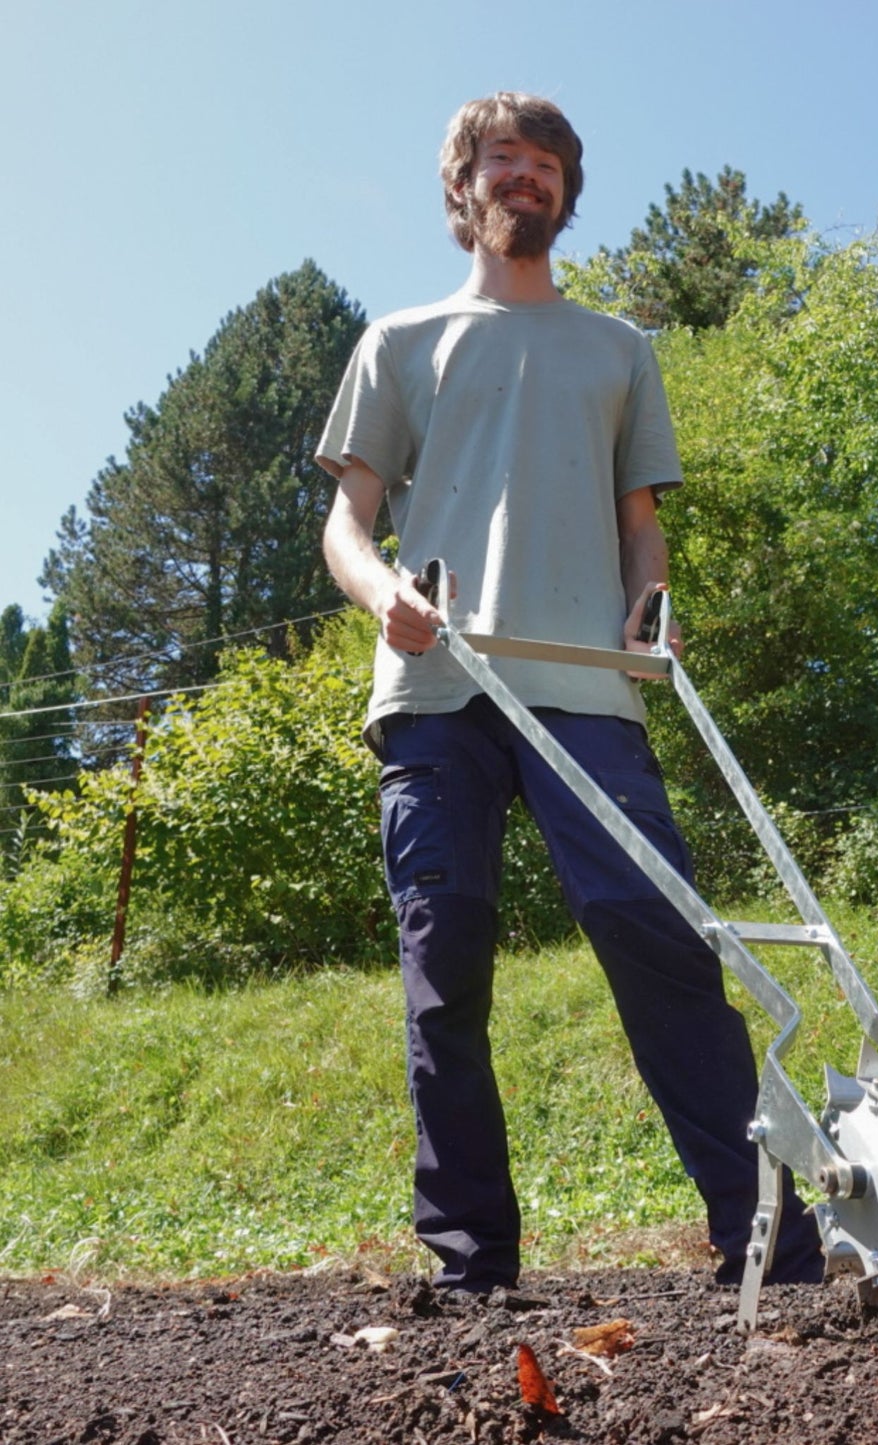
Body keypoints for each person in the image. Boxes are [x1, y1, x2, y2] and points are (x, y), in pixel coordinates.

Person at [318, 92, 822, 1294]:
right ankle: (471, 1266)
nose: (526, 177)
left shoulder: (617, 348)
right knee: (446, 975)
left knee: (662, 945)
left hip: (589, 693)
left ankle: (770, 1240)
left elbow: (637, 526)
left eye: (546, 164)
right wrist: (381, 593)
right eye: (504, 159)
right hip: (439, 687)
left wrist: (650, 601)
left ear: (563, 191)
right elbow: (346, 521)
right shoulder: (399, 341)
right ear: (464, 186)